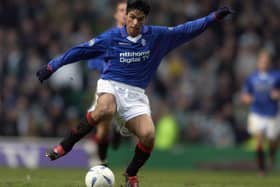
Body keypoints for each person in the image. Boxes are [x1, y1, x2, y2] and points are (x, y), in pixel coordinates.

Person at [36, 1, 233, 186]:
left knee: (148, 135)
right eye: (131, 17)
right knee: (105, 109)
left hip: (136, 95)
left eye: (139, 18)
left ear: (145, 19)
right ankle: (65, 145)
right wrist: (52, 66)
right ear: (126, 17)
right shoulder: (111, 37)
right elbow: (78, 51)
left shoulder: (156, 37)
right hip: (111, 85)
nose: (134, 22)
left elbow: (187, 29)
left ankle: (131, 174)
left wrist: (213, 17)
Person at [86, 0, 127, 167]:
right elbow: (92, 60)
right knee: (99, 125)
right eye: (122, 10)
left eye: (128, 11)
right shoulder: (108, 37)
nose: (125, 14)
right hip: (108, 86)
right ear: (116, 15)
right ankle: (101, 162)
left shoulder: (141, 38)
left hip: (128, 88)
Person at [241, 49, 280, 176]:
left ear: (269, 62)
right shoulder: (252, 78)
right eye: (262, 61)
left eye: (266, 61)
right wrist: (248, 99)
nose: (264, 63)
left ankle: (272, 155)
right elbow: (245, 95)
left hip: (272, 113)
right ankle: (261, 170)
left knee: (273, 141)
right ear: (258, 62)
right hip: (257, 113)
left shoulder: (277, 76)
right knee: (259, 141)